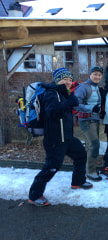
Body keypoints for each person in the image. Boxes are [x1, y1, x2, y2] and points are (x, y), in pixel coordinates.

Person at [28, 68, 93, 207]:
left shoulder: (63, 94)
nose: (68, 82)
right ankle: (34, 195)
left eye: (70, 79)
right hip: (55, 140)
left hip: (67, 138)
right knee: (51, 167)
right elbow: (52, 113)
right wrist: (69, 103)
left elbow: (64, 114)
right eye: (65, 79)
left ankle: (78, 181)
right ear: (58, 80)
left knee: (81, 155)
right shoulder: (51, 94)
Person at [74, 66, 103, 181]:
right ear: (90, 75)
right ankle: (90, 171)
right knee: (94, 145)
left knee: (90, 145)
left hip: (95, 120)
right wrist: (91, 108)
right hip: (86, 120)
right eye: (95, 74)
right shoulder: (83, 87)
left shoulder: (96, 87)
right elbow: (76, 104)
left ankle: (88, 168)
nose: (97, 77)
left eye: (99, 75)